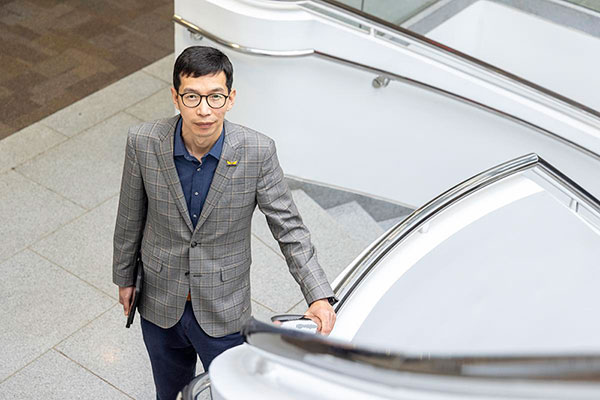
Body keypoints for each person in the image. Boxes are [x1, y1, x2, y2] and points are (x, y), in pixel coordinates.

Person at [112, 46, 337, 400]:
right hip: (159, 300)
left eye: (215, 97)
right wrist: (125, 278)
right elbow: (129, 216)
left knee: (233, 391)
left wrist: (318, 294)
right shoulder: (142, 142)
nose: (204, 110)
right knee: (168, 391)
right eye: (192, 97)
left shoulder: (257, 151)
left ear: (230, 98)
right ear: (176, 96)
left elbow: (289, 227)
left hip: (224, 305)